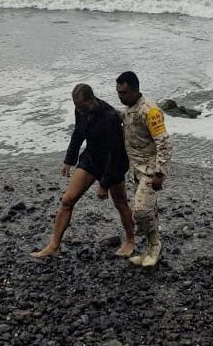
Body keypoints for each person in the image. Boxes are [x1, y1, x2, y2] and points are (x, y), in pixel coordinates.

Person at [30, 83, 136, 258]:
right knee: (67, 200)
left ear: (92, 100)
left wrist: (104, 184)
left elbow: (116, 153)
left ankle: (130, 240)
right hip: (91, 158)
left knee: (121, 203)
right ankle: (53, 246)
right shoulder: (80, 110)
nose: (81, 111)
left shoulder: (109, 117)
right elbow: (78, 133)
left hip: (113, 163)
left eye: (84, 107)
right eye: (78, 107)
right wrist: (68, 160)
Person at [116, 71, 173, 267]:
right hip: (136, 169)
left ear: (134, 90)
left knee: (140, 212)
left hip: (150, 170)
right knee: (149, 211)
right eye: (118, 93)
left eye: (123, 93)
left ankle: (155, 245)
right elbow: (124, 116)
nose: (120, 96)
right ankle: (150, 247)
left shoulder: (150, 111)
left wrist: (160, 173)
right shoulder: (130, 109)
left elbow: (164, 143)